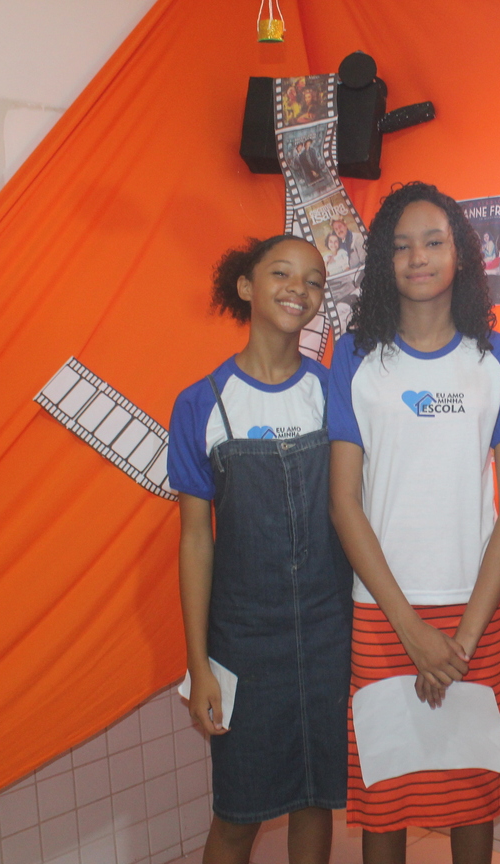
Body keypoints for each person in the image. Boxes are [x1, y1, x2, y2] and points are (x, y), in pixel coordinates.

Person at [327, 181, 500, 864]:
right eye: (401, 246)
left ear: (460, 253)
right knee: (384, 792)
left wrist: (463, 639)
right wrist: (411, 630)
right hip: (382, 613)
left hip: (475, 609)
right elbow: (344, 502)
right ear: (384, 261)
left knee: (473, 788)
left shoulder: (498, 359)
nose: (418, 257)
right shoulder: (354, 358)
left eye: (434, 242)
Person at [167, 235, 352, 864]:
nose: (299, 289)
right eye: (282, 274)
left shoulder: (331, 393)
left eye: (314, 280)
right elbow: (196, 539)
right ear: (246, 286)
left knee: (314, 799)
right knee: (237, 812)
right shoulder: (201, 403)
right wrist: (199, 665)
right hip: (242, 642)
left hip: (328, 632)